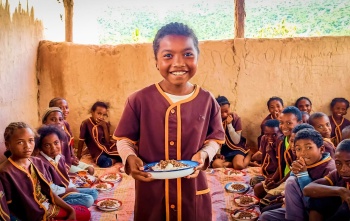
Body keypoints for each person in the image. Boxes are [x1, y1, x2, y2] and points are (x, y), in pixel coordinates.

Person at [113, 22, 225, 221]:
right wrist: (129, 157)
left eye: (188, 54)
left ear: (198, 57)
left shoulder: (208, 100)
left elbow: (215, 139)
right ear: (156, 61)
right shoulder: (138, 100)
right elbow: (124, 139)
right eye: (168, 55)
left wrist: (204, 154)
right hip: (152, 190)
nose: (179, 62)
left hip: (193, 191)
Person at [0, 122, 91, 221]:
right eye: (20, 142)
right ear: (8, 145)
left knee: (84, 212)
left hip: (47, 207)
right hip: (30, 215)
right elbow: (9, 208)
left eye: (31, 140)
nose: (27, 146)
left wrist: (70, 210)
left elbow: (49, 192)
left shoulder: (37, 162)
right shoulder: (5, 171)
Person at [259, 128, 335, 221]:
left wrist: (303, 175)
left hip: (317, 213)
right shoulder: (301, 163)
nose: (303, 153)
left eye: (308, 147)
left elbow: (316, 202)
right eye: (298, 149)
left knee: (291, 181)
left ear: (322, 149)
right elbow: (293, 190)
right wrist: (286, 197)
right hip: (299, 208)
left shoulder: (330, 169)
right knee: (265, 216)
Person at [36, 125, 98, 208]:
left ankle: (74, 202)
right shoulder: (41, 162)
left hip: (65, 189)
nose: (53, 148)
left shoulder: (60, 157)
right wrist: (69, 190)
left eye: (56, 143)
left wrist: (72, 188)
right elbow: (49, 188)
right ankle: (56, 207)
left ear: (60, 142)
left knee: (94, 192)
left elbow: (65, 178)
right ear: (40, 147)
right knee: (88, 200)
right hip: (54, 195)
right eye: (47, 145)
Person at [254, 106, 302, 199]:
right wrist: (273, 180)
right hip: (283, 177)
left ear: (299, 123)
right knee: (257, 190)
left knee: (266, 201)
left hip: (294, 180)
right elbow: (281, 165)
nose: (284, 126)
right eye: (281, 123)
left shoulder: (300, 143)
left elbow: (294, 170)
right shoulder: (282, 141)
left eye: (289, 123)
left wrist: (278, 184)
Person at [303, 139, 350, 221]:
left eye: (349, 163)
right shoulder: (337, 174)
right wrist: (341, 191)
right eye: (338, 163)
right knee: (318, 198)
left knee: (345, 209)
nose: (343, 169)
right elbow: (307, 189)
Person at [42, 107, 94, 175]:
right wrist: (69, 161)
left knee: (90, 170)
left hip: (67, 162)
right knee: (84, 175)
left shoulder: (63, 134)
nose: (58, 122)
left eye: (60, 120)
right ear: (45, 122)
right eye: (53, 119)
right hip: (56, 166)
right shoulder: (44, 138)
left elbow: (68, 151)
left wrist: (72, 158)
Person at [211, 95, 251, 169]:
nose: (224, 115)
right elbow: (215, 139)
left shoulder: (236, 118)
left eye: (226, 111)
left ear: (230, 108)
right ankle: (234, 163)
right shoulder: (214, 121)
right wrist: (218, 153)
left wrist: (229, 125)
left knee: (239, 166)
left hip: (237, 148)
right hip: (224, 151)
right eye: (220, 112)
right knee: (216, 164)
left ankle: (249, 155)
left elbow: (236, 141)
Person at [78, 101, 121, 168]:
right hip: (97, 151)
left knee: (123, 153)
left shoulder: (104, 124)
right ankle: (115, 160)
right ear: (92, 112)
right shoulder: (86, 123)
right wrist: (78, 156)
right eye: (99, 113)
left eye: (104, 115)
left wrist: (104, 127)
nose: (101, 117)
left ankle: (117, 158)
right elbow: (81, 140)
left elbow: (107, 141)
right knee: (104, 162)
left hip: (107, 148)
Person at [250, 119, 282, 186]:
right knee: (253, 182)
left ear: (280, 133)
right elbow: (263, 156)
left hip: (276, 173)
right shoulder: (264, 138)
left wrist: (271, 154)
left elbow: (280, 167)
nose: (270, 138)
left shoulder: (281, 144)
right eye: (267, 134)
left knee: (258, 186)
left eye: (274, 135)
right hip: (265, 171)